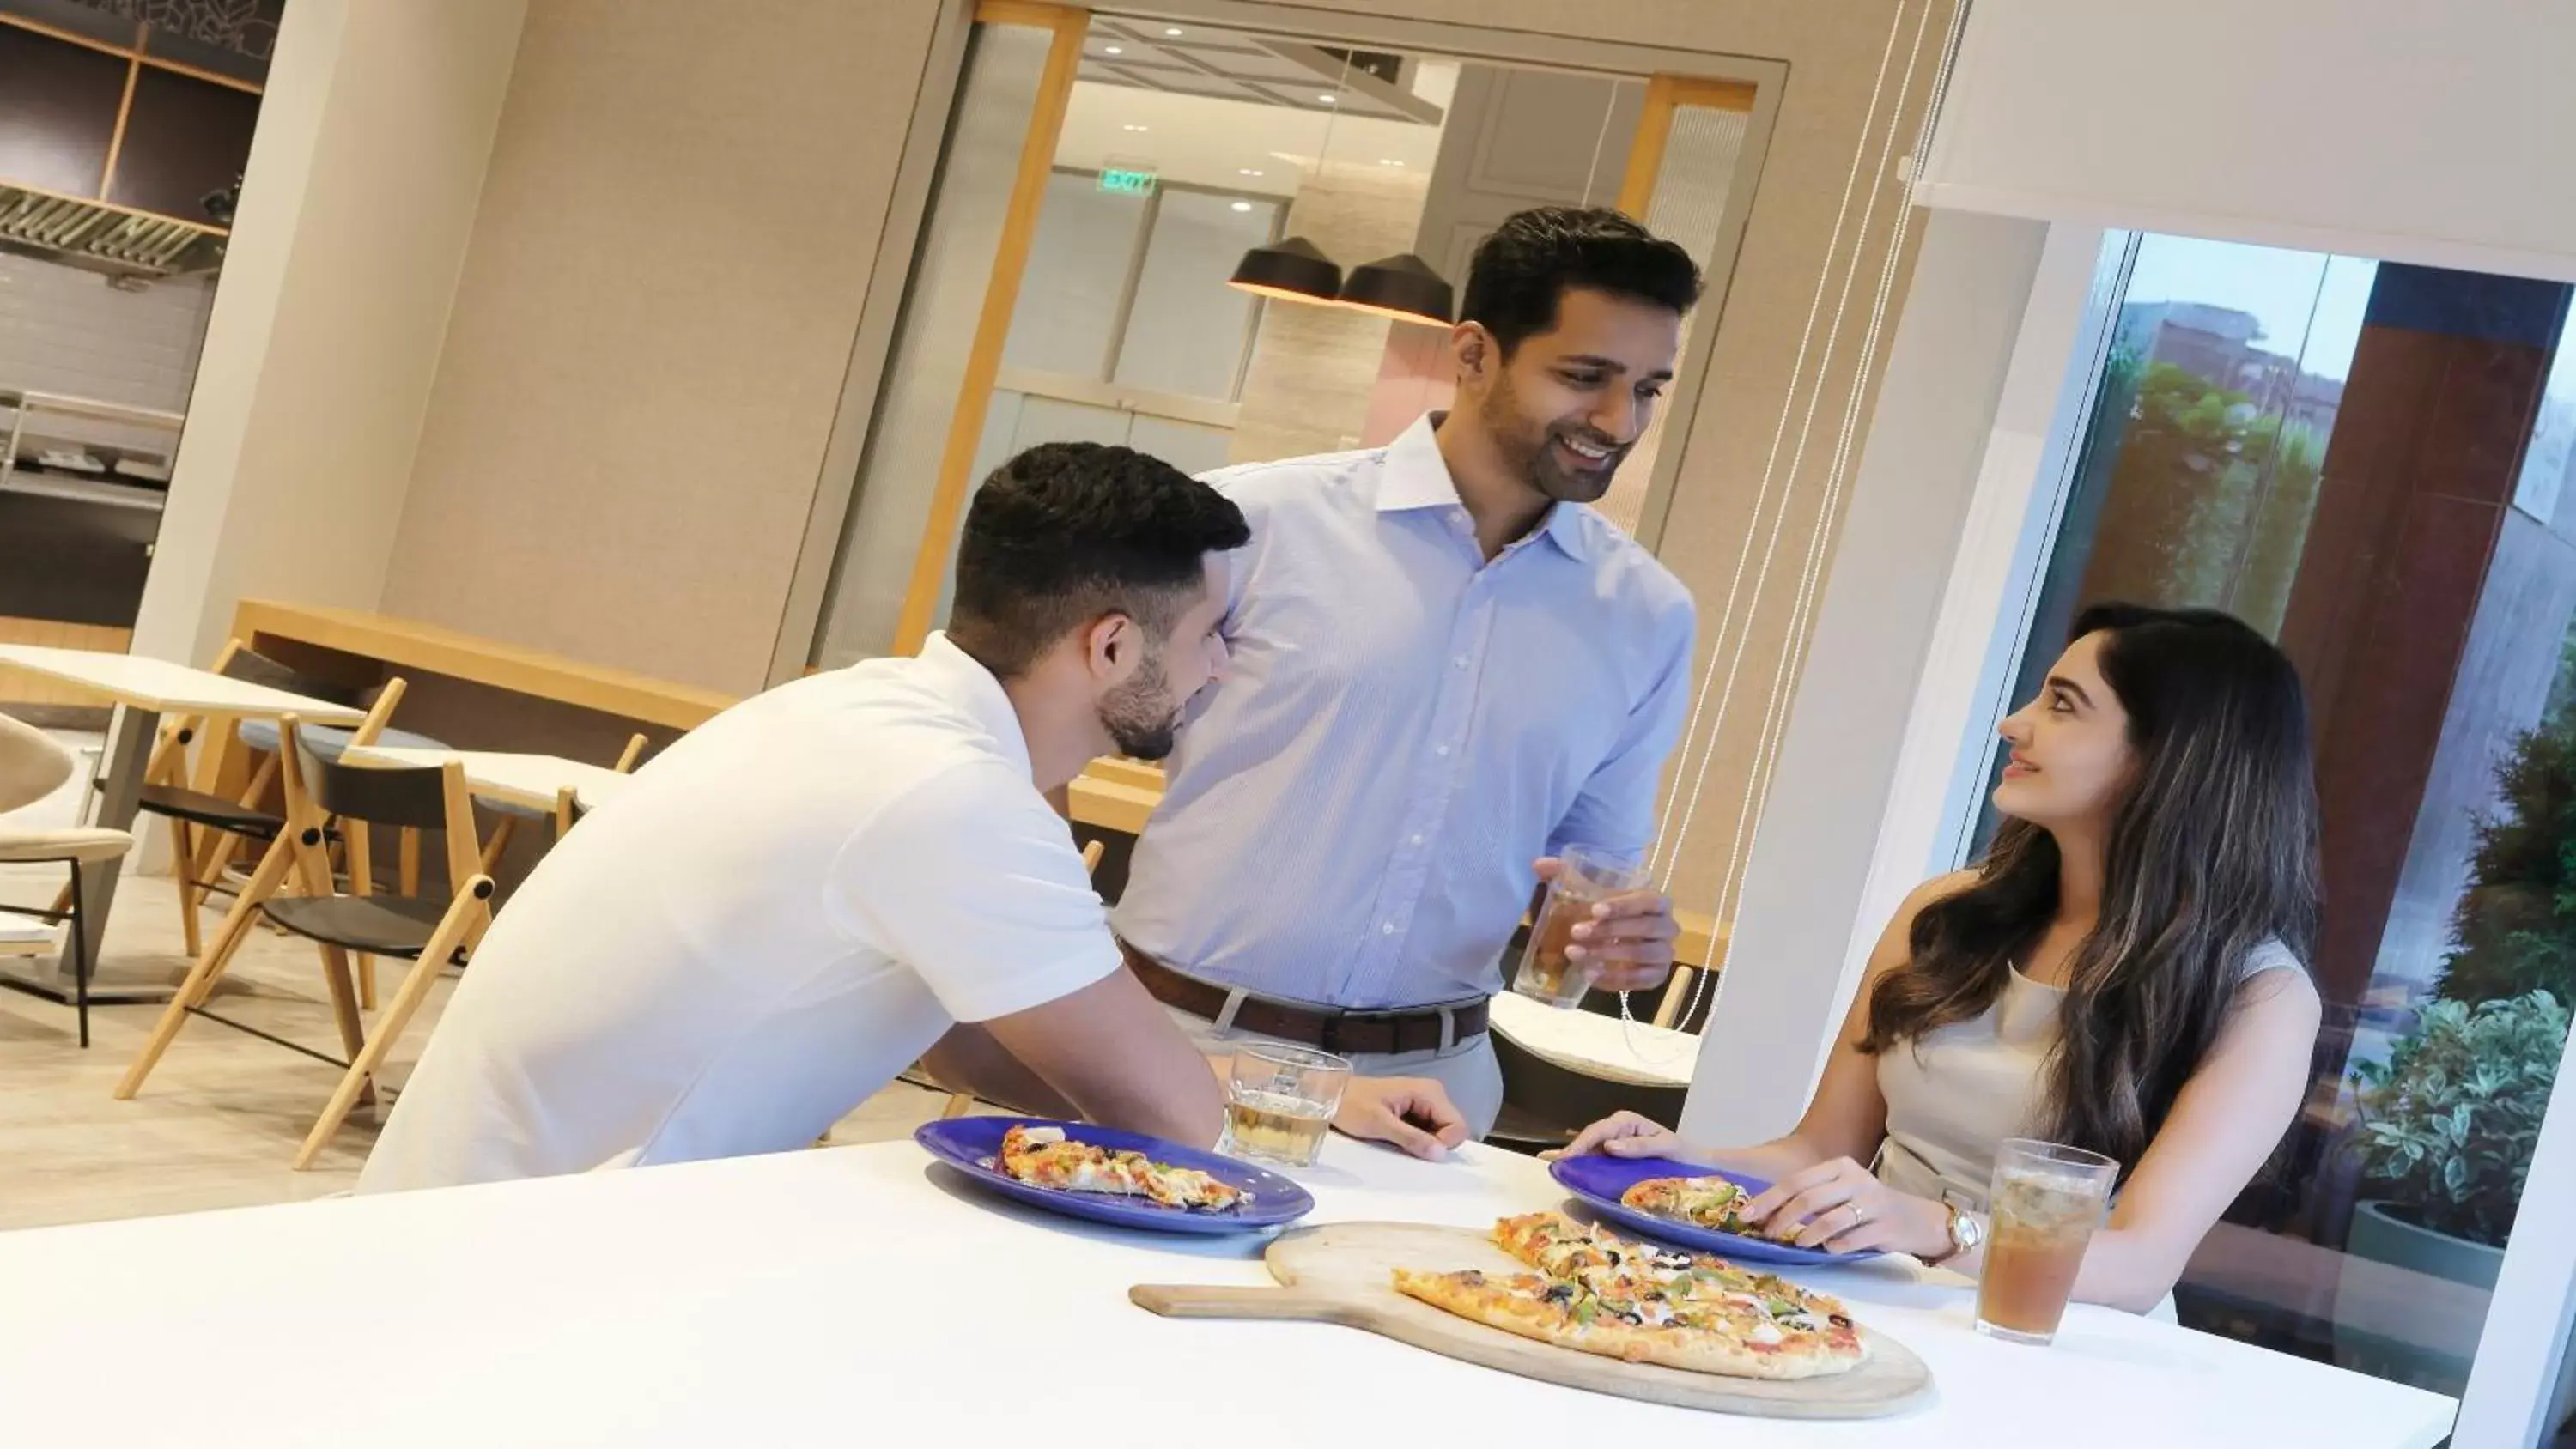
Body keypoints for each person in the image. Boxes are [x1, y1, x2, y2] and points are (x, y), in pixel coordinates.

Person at [358, 443, 1462, 1194]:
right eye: (1217, 630)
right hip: (528, 1248)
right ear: (1113, 646)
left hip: (497, 1205)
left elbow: (988, 1040)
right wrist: (1277, 1110)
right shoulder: (953, 799)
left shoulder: (864, 713)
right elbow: (1171, 1120)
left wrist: (1307, 1092)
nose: (1229, 663)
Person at [1108, 206, 1704, 1137]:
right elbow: (1056, 726)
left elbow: (1591, 872)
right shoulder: (1251, 526)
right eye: (1584, 376)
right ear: (1473, 353)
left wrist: (1619, 936)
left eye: (1648, 389)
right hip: (1180, 1044)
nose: (1618, 419)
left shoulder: (1646, 615)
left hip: (1437, 1089)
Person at [1554, 604, 2325, 1313]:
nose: (2013, 723)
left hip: (2060, 1349)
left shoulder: (2261, 998)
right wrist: (1681, 1160)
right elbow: (1820, 1150)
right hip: (1863, 1303)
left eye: (2062, 704)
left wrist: (1933, 1229)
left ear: (2168, 757)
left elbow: (2138, 1266)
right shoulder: (1947, 914)